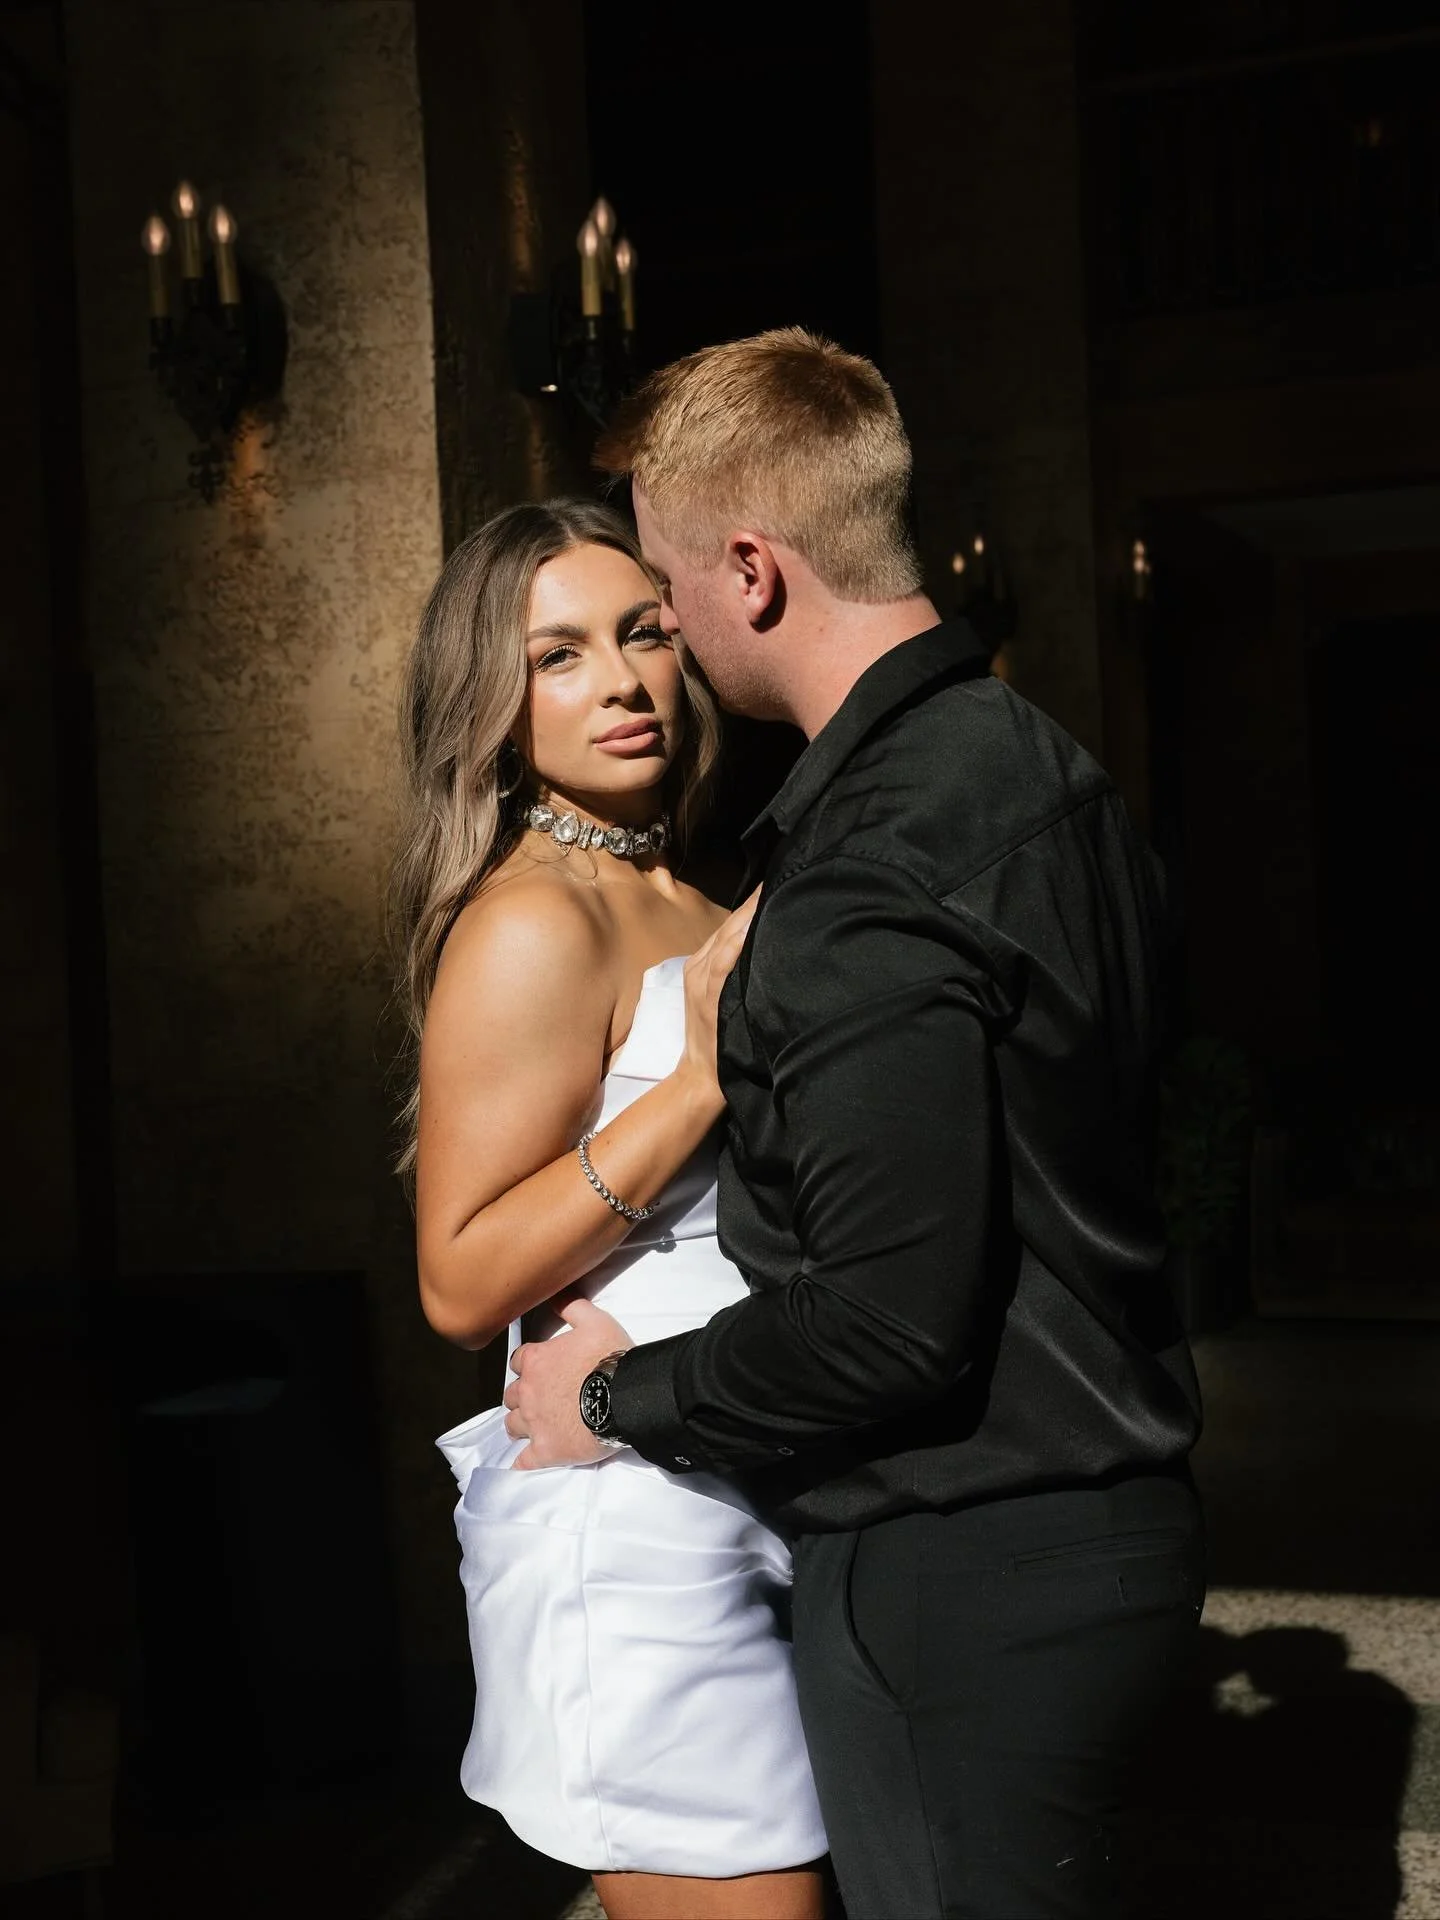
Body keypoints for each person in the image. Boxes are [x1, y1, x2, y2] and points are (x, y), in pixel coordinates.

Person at [505, 330, 1207, 1920]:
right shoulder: (1052, 771)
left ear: (752, 570)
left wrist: (613, 1395)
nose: (662, 633)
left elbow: (888, 1326)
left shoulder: (870, 864)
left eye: (668, 594)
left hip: (970, 1566)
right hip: (1101, 1534)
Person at [388, 498, 827, 1920]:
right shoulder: (533, 921)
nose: (626, 682)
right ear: (495, 702)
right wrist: (693, 1084)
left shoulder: (692, 893)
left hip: (738, 1465)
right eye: (559, 654)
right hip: (628, 1532)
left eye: (643, 632)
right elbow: (459, 1284)